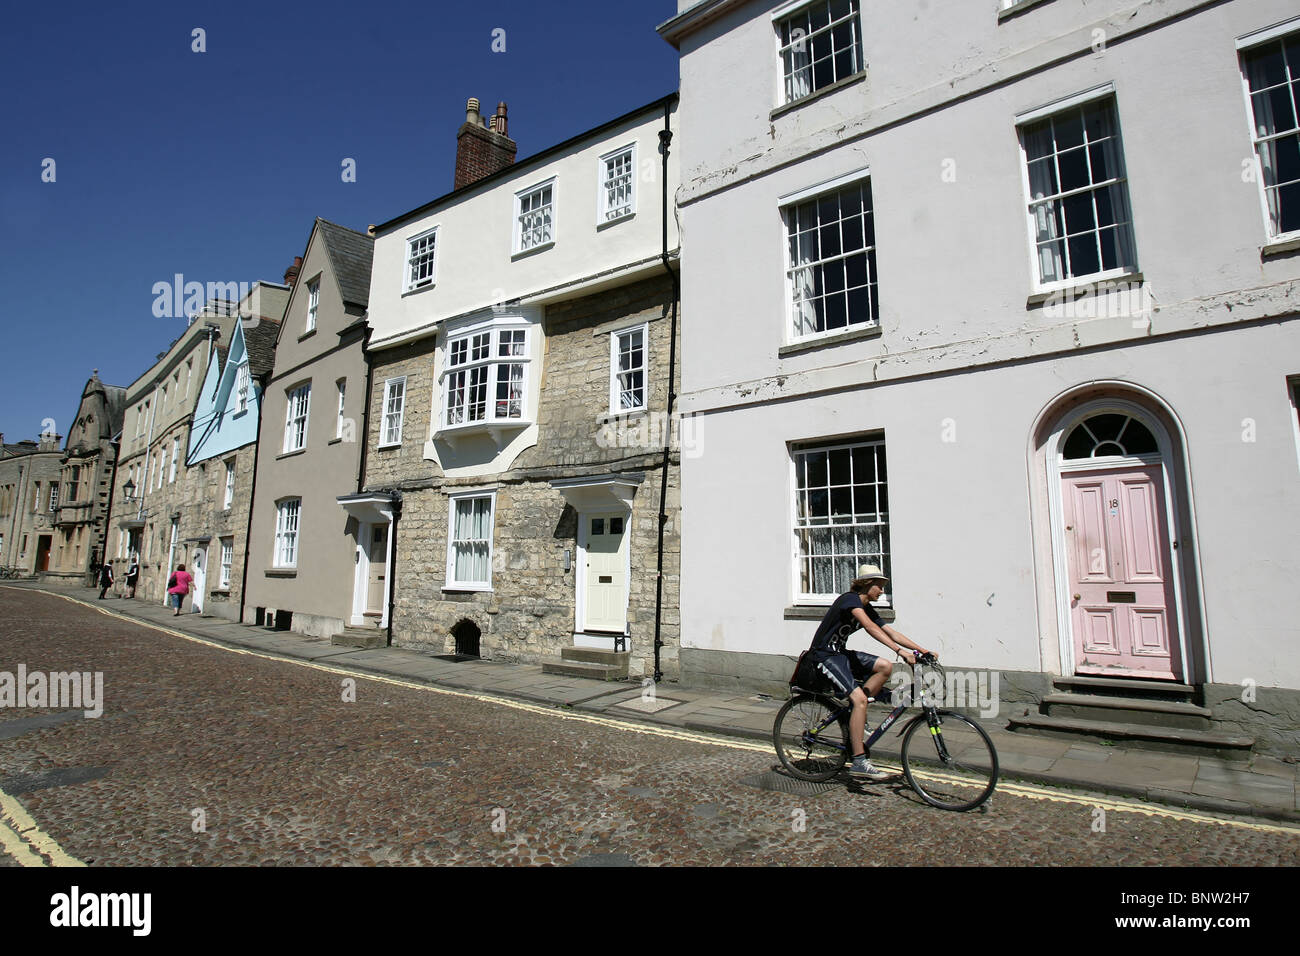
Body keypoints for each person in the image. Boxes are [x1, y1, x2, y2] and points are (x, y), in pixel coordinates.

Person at [805, 564, 936, 782]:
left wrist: (922, 650)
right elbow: (869, 628)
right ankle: (858, 761)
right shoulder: (850, 600)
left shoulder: (867, 606)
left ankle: (857, 713)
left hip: (840, 653)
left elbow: (890, 631)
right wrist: (900, 652)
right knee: (859, 700)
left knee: (885, 667)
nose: (882, 591)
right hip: (824, 655)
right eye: (880, 586)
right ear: (867, 585)